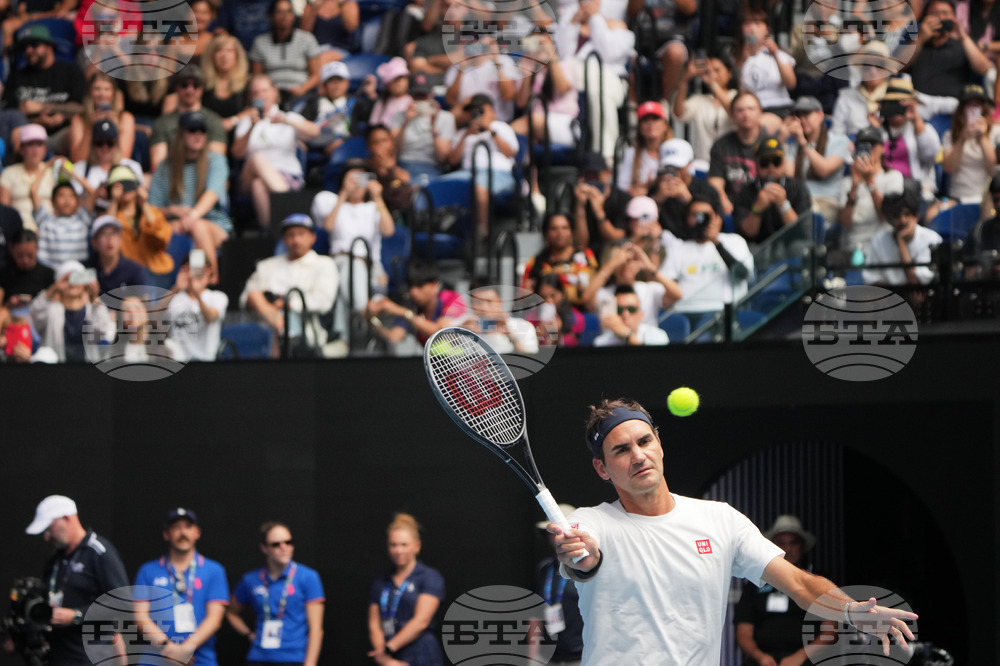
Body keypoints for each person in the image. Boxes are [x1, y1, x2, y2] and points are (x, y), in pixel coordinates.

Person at [548, 398, 918, 665]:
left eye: (645, 442)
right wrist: (583, 555)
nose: (639, 456)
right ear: (602, 468)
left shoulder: (720, 519)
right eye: (622, 450)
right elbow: (583, 556)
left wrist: (851, 611)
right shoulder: (591, 522)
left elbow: (800, 584)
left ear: (659, 444)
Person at [23, 495, 130, 666]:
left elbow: (123, 602)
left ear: (67, 518)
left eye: (49, 529)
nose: (46, 537)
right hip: (58, 656)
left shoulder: (99, 552)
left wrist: (77, 615)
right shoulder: (56, 559)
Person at [133, 508, 230, 666]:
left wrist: (185, 650)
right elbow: (139, 617)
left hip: (199, 659)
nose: (182, 532)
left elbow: (215, 619)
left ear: (197, 532)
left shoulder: (214, 570)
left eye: (187, 527)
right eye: (176, 527)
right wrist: (169, 649)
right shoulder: (148, 570)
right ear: (167, 534)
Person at [311, 160, 394, 342]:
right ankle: (369, 318)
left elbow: (389, 230)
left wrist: (378, 197)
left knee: (343, 293)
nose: (357, 184)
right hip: (340, 262)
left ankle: (342, 340)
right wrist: (344, 193)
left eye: (361, 179)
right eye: (352, 179)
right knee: (351, 266)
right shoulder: (333, 201)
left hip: (370, 266)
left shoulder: (372, 207)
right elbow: (328, 226)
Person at [735, 515, 832, 666]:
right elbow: (743, 631)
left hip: (806, 659)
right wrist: (760, 657)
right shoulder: (755, 583)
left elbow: (830, 630)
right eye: (781, 543)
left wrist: (800, 657)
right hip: (762, 660)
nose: (788, 548)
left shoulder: (817, 582)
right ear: (773, 547)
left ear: (802, 546)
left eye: (793, 543)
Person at [149, 111, 232, 281]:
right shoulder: (165, 167)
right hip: (177, 225)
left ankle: (210, 283)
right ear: (181, 134)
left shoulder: (216, 160)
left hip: (215, 226)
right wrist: (174, 210)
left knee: (197, 227)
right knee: (154, 234)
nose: (198, 135)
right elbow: (153, 210)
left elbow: (212, 194)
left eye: (202, 130)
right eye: (192, 130)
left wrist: (191, 217)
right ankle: (163, 292)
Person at [229, 522, 325, 666]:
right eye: (276, 544)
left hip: (293, 659)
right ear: (264, 548)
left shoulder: (308, 577)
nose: (284, 548)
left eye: (288, 542)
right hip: (258, 658)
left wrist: (310, 664)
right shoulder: (251, 580)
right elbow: (231, 612)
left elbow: (316, 629)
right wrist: (248, 634)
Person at [233, 74, 320, 228]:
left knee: (258, 184)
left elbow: (314, 132)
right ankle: (286, 200)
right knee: (257, 159)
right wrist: (253, 126)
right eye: (255, 93)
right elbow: (237, 153)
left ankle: (272, 233)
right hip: (249, 174)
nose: (260, 96)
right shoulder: (246, 121)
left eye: (264, 91)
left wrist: (286, 121)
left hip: (287, 174)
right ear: (249, 97)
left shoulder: (289, 117)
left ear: (274, 92)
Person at [240, 214, 339, 348]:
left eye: (301, 234)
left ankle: (287, 335)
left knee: (287, 318)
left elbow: (323, 301)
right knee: (255, 295)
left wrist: (286, 305)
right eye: (291, 235)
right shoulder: (267, 265)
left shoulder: (324, 264)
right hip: (262, 329)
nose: (296, 240)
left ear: (312, 237)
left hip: (306, 334)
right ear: (284, 239)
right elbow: (246, 298)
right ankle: (282, 331)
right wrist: (271, 309)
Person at [661, 188, 754, 322]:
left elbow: (743, 274)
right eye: (695, 215)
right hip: (684, 312)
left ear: (717, 218)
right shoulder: (679, 248)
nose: (700, 220)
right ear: (687, 219)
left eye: (705, 215)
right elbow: (666, 286)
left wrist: (716, 243)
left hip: (723, 313)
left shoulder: (734, 241)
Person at [367, 513, 445, 666]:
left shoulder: (429, 577)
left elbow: (421, 621)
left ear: (417, 546)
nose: (398, 551)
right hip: (389, 655)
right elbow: (374, 625)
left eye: (404, 545)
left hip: (420, 652)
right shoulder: (381, 582)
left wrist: (389, 648)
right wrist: (385, 659)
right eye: (393, 545)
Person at [442, 94, 518, 238]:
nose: (475, 114)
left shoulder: (501, 127)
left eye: (480, 110)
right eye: (472, 111)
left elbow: (511, 153)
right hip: (467, 173)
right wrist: (468, 134)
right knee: (440, 185)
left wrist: (490, 131)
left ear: (490, 110)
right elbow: (452, 160)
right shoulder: (465, 132)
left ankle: (482, 234)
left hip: (497, 173)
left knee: (480, 187)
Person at [3, 24, 85, 154]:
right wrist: (36, 121)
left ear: (49, 46)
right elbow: (8, 118)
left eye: (34, 45)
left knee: (78, 127)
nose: (28, 51)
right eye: (24, 47)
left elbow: (82, 109)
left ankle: (80, 171)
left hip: (63, 134)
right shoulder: (16, 77)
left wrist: (42, 107)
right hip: (28, 138)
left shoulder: (71, 72)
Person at [907, 0, 991, 118]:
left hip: (954, 106)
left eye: (946, 13)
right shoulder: (917, 42)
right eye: (935, 14)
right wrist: (921, 38)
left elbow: (984, 69)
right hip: (920, 105)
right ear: (925, 18)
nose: (941, 17)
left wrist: (963, 37)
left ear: (954, 18)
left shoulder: (964, 43)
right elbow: (899, 66)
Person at [782, 96, 852, 228]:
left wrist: (804, 143)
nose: (802, 120)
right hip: (800, 201)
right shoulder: (793, 145)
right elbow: (789, 177)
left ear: (820, 115)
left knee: (806, 214)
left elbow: (824, 170)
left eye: (807, 114)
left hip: (826, 201)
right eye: (798, 115)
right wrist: (782, 140)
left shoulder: (839, 141)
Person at [365, 261, 466, 350]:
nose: (414, 292)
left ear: (435, 285)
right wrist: (372, 320)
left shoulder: (451, 298)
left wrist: (403, 312)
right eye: (411, 286)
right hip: (434, 366)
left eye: (420, 285)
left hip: (463, 364)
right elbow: (394, 337)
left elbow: (440, 331)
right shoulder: (411, 306)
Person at [528, 506, 584, 665]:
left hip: (582, 656)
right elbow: (535, 615)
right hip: (549, 657)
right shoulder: (544, 568)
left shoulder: (587, 568)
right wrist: (533, 657)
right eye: (550, 532)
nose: (553, 537)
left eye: (557, 531)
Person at [864, 177, 943, 285]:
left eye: (907, 214)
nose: (903, 220)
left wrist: (901, 243)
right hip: (889, 298)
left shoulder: (932, 239)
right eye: (896, 216)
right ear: (889, 220)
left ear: (916, 216)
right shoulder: (879, 241)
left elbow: (915, 282)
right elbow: (872, 281)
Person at [150, 66, 229, 172]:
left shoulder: (213, 121)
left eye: (195, 85)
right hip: (171, 176)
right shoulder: (163, 123)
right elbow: (158, 165)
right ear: (177, 88)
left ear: (201, 89)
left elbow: (217, 164)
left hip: (204, 176)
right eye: (184, 85)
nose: (189, 90)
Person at [873, 78, 941, 200]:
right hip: (884, 192)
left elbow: (931, 155)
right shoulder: (878, 129)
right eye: (893, 103)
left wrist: (916, 119)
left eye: (902, 104)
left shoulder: (921, 127)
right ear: (884, 106)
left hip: (916, 192)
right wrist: (874, 131)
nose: (898, 108)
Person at [734, 138, 812, 243]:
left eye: (776, 161)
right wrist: (757, 209)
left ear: (784, 163)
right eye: (764, 162)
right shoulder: (745, 192)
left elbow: (800, 231)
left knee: (799, 247)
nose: (771, 168)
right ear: (756, 165)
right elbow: (747, 234)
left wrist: (784, 205)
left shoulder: (798, 188)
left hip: (790, 244)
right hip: (758, 246)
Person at [105, 166, 175, 282]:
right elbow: (107, 232)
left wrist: (144, 204)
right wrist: (114, 201)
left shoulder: (152, 212)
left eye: (128, 183)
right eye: (118, 185)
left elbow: (162, 238)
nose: (124, 189)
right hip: (126, 275)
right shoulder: (108, 216)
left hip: (156, 272)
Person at [838, 127, 897, 261]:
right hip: (852, 247)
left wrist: (870, 182)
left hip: (882, 248)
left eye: (872, 145)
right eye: (863, 146)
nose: (869, 149)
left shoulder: (893, 177)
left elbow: (886, 216)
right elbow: (845, 222)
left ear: (882, 148)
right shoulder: (847, 182)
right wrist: (854, 187)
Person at [250, 0, 323, 105]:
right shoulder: (260, 42)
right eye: (279, 12)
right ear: (271, 16)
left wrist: (301, 89)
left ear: (293, 16)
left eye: (288, 11)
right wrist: (270, 92)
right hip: (270, 95)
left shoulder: (307, 39)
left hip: (302, 94)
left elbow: (316, 75)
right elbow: (257, 77)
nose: (284, 16)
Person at [521, 211, 596, 309]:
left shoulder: (584, 256)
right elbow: (523, 297)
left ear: (572, 231)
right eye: (554, 229)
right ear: (546, 232)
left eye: (565, 228)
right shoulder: (535, 263)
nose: (560, 233)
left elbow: (592, 288)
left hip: (583, 312)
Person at [708, 93, 767, 216]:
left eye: (751, 109)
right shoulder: (721, 145)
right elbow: (715, 183)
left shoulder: (770, 143)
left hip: (763, 207)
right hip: (731, 208)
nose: (746, 114)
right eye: (740, 110)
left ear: (760, 111)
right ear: (733, 115)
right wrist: (723, 201)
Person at [673, 53, 737, 164]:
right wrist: (685, 79)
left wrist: (713, 84)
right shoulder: (700, 100)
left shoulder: (737, 96)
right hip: (704, 163)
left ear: (730, 73)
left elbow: (734, 111)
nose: (713, 75)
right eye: (708, 71)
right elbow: (679, 113)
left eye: (717, 70)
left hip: (731, 161)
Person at [70, 120, 144, 213]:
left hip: (125, 219)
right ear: (92, 145)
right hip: (91, 221)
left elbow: (140, 201)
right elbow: (73, 207)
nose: (105, 147)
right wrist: (95, 195)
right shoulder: (79, 168)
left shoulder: (132, 166)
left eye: (110, 143)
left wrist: (120, 196)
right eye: (100, 143)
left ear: (117, 144)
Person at [942, 84, 1000, 202]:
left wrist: (983, 137)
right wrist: (962, 139)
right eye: (969, 105)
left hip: (986, 198)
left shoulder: (995, 132)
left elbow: (993, 170)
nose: (973, 108)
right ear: (961, 109)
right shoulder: (950, 135)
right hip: (957, 197)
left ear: (983, 108)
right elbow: (949, 168)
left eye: (977, 105)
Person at [166, 255, 229, 362]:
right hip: (177, 363)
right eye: (191, 268)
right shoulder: (174, 298)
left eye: (201, 269)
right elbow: (154, 319)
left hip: (207, 363)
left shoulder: (218, 297)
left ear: (209, 272)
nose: (196, 273)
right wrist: (176, 288)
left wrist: (197, 294)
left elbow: (210, 317)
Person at [735, 10, 796, 117]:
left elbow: (791, 84)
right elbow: (742, 92)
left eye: (758, 24)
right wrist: (743, 63)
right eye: (747, 24)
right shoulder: (737, 57)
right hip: (752, 110)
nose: (752, 29)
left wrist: (775, 54)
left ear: (767, 29)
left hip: (780, 107)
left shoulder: (779, 54)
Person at [67, 72, 136, 165]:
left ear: (113, 93)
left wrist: (115, 129)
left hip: (114, 170)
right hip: (88, 171)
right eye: (97, 89)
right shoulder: (79, 119)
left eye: (107, 89)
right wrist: (89, 128)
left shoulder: (125, 118)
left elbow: (124, 158)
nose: (102, 94)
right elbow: (78, 160)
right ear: (89, 92)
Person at [0, 123, 54, 230]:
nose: (35, 149)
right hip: (18, 233)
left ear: (45, 149)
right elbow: (3, 209)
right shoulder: (9, 173)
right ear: (21, 149)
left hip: (50, 231)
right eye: (30, 144)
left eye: (39, 144)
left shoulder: (52, 171)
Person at [461, 283, 540, 355]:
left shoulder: (523, 326)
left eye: (489, 301)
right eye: (478, 302)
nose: (484, 308)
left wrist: (508, 332)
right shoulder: (464, 324)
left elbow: (530, 358)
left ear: (499, 302)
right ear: (471, 305)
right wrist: (460, 331)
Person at [34, 179, 97, 269]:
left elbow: (93, 192)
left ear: (77, 201)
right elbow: (33, 191)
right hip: (49, 275)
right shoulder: (44, 220)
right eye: (62, 196)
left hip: (78, 274)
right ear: (52, 201)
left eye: (71, 196)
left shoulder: (82, 220)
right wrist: (47, 165)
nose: (67, 201)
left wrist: (69, 170)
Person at [617, 102, 673, 196]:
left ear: (665, 124)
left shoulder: (674, 149)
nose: (650, 123)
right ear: (639, 127)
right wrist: (648, 187)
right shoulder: (631, 153)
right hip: (642, 203)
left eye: (655, 118)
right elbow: (621, 188)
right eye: (645, 119)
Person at [84, 216, 149, 295]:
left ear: (120, 239)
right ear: (94, 242)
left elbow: (143, 302)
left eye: (113, 234)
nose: (110, 239)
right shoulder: (84, 269)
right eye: (103, 234)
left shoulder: (134, 271)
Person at [593, 285, 670, 346]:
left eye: (631, 309)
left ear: (641, 314)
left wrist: (628, 335)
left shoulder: (657, 335)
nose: (625, 314)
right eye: (619, 310)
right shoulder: (601, 342)